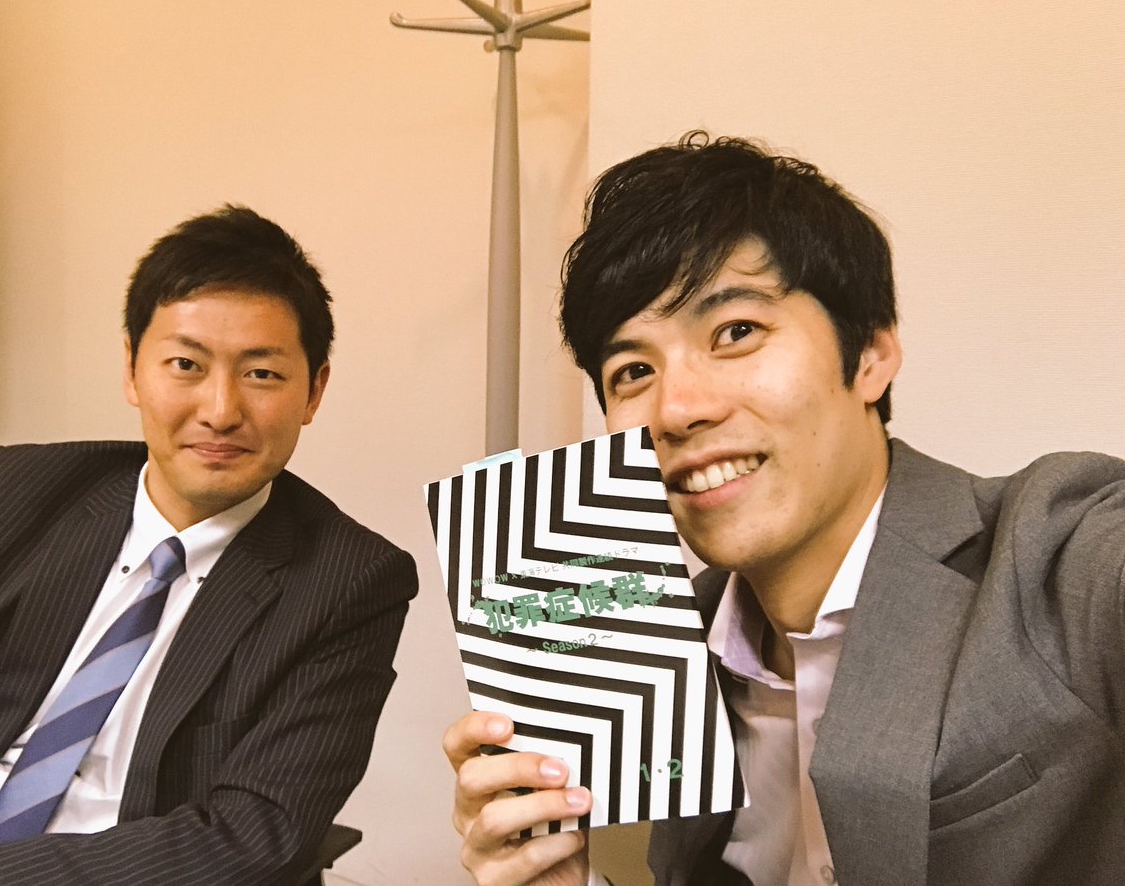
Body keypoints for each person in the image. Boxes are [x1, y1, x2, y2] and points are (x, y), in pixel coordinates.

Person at [444, 133, 1125, 885]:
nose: (677, 409)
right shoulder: (659, 648)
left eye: (736, 332)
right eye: (633, 370)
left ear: (870, 354)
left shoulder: (1056, 550)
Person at [0, 205, 418, 885]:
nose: (220, 410)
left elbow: (257, 831)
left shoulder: (349, 580)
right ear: (132, 368)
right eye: (186, 364)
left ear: (314, 390)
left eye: (262, 374)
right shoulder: (14, 493)